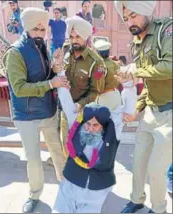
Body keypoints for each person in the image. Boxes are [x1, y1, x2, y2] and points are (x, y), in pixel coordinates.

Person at [50, 46, 137, 212]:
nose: (90, 129)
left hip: (95, 194)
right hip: (68, 187)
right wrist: (60, 70)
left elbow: (127, 110)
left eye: (95, 125)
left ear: (103, 127)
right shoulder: (77, 124)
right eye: (88, 124)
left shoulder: (112, 130)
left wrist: (128, 85)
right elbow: (66, 99)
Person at [3, 7, 69, 213]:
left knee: (58, 153)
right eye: (36, 29)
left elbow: (45, 74)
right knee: (33, 160)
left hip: (48, 112)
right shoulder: (15, 53)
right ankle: (34, 194)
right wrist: (52, 84)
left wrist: (56, 64)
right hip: (27, 116)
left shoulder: (42, 46)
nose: (40, 33)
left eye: (43, 29)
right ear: (26, 28)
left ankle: (67, 189)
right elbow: (20, 89)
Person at [114, 1, 172, 213]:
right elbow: (148, 84)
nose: (130, 22)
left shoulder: (166, 30)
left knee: (157, 171)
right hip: (150, 112)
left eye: (134, 15)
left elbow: (170, 66)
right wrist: (137, 110)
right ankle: (137, 199)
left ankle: (159, 209)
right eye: (126, 18)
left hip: (170, 113)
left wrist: (136, 69)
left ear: (147, 10)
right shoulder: (136, 43)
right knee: (138, 163)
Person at [53, 15, 106, 160]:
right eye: (71, 36)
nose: (74, 40)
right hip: (65, 109)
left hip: (84, 114)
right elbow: (57, 73)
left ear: (86, 38)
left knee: (83, 149)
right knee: (66, 147)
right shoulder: (65, 53)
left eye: (78, 37)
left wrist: (80, 104)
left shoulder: (96, 62)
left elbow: (96, 91)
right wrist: (55, 64)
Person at [93, 39, 121, 111]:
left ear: (98, 53)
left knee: (101, 121)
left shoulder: (99, 66)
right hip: (116, 95)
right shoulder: (115, 63)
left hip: (104, 98)